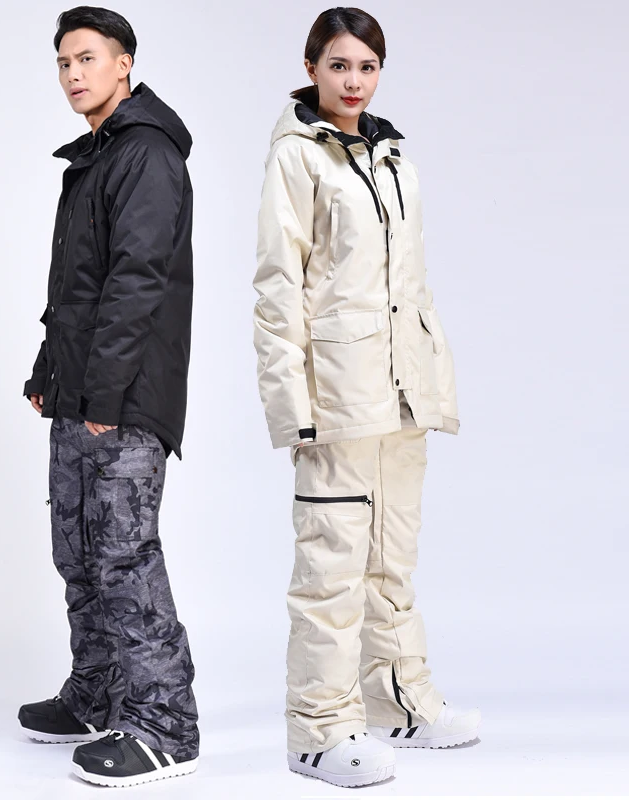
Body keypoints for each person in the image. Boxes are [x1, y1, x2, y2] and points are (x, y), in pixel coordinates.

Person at [253, 7, 480, 789]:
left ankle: (396, 701)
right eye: (340, 65)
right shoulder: (297, 158)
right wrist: (291, 407)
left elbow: (411, 286)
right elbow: (277, 289)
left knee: (392, 562)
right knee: (331, 570)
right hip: (337, 401)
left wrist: (433, 384)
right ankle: (317, 732)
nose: (354, 81)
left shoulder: (393, 157)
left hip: (401, 397)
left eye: (367, 67)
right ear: (311, 68)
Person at [18, 6, 199, 789]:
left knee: (124, 555)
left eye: (87, 58)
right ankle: (97, 695)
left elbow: (137, 282)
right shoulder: (97, 157)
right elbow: (76, 287)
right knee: (78, 550)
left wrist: (103, 394)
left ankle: (165, 726)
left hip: (122, 398)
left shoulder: (146, 154)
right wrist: (49, 374)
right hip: (82, 391)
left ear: (124, 64)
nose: (73, 74)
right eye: (64, 62)